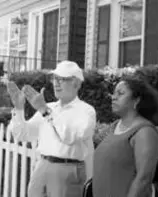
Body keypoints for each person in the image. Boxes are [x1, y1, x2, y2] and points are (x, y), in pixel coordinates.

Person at [7, 60, 96, 197]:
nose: (56, 83)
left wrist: (45, 111)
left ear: (77, 84)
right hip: (42, 166)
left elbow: (69, 137)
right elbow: (23, 135)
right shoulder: (50, 107)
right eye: (55, 78)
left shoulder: (86, 111)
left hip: (68, 171)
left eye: (63, 79)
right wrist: (19, 108)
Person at [93, 75, 158, 197]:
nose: (113, 97)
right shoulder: (113, 127)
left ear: (136, 100)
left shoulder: (144, 132)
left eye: (120, 93)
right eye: (113, 93)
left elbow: (144, 178)